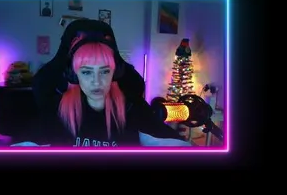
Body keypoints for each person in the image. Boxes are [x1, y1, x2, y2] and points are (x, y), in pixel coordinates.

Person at [24, 22, 189, 147]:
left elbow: (176, 145)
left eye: (104, 71)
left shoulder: (132, 108)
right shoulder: (57, 109)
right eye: (87, 72)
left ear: (115, 73)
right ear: (74, 75)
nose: (96, 81)